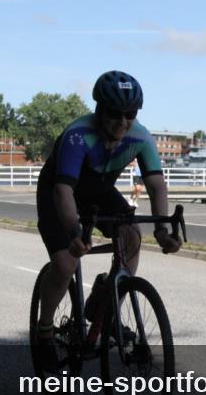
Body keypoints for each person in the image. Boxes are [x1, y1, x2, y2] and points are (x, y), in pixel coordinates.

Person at [34, 71, 181, 369]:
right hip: (58, 192)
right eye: (115, 113)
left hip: (98, 190)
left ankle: (104, 302)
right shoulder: (79, 134)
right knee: (65, 265)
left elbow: (156, 185)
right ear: (99, 109)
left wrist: (163, 230)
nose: (123, 121)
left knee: (132, 236)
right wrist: (74, 232)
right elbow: (64, 190)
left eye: (130, 114)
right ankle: (45, 331)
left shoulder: (140, 136)